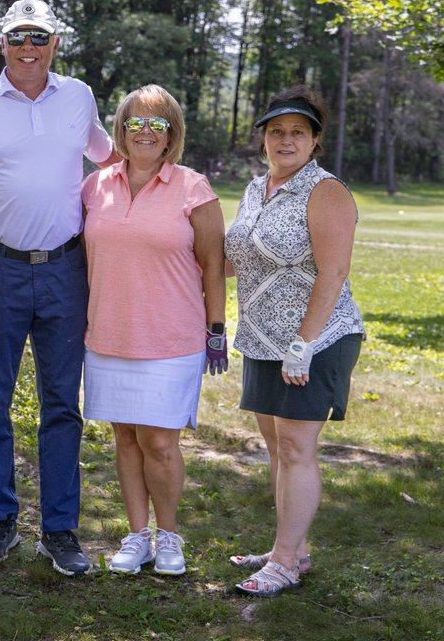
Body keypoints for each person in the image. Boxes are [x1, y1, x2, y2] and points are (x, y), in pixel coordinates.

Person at [0, 0, 118, 576]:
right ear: (2, 44)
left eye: (39, 37)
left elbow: (113, 162)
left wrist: (173, 182)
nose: (29, 48)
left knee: (62, 404)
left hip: (66, 270)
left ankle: (59, 531)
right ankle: (0, 520)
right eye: (18, 38)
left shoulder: (79, 96)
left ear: (55, 43)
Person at [79, 85, 226, 577]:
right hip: (107, 335)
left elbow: (212, 266)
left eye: (156, 124)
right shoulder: (94, 187)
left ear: (171, 135)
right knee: (125, 438)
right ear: (120, 131)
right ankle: (137, 535)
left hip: (171, 339)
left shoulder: (194, 188)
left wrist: (217, 330)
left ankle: (169, 536)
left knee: (160, 442)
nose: (145, 131)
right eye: (135, 123)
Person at [224, 86, 364, 596]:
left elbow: (334, 272)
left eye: (297, 133)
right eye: (276, 131)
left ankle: (284, 562)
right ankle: (293, 547)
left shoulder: (325, 190)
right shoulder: (255, 188)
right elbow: (235, 258)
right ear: (263, 137)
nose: (285, 140)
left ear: (314, 140)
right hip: (262, 338)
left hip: (316, 338)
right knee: (276, 447)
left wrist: (303, 344)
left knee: (297, 447)